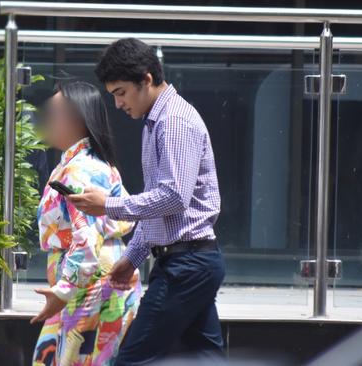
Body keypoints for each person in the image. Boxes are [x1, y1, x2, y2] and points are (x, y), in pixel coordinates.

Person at [67, 38, 226, 365]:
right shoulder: (156, 122)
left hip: (186, 265)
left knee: (132, 359)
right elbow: (160, 207)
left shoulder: (173, 121)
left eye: (121, 92)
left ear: (147, 79)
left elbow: (173, 197)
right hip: (189, 262)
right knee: (207, 359)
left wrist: (107, 206)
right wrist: (133, 256)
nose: (118, 104)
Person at [31, 81, 142, 366]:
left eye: (53, 114)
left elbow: (86, 235)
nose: (47, 122)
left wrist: (64, 289)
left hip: (90, 283)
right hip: (91, 280)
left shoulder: (81, 169)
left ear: (77, 119)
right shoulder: (85, 163)